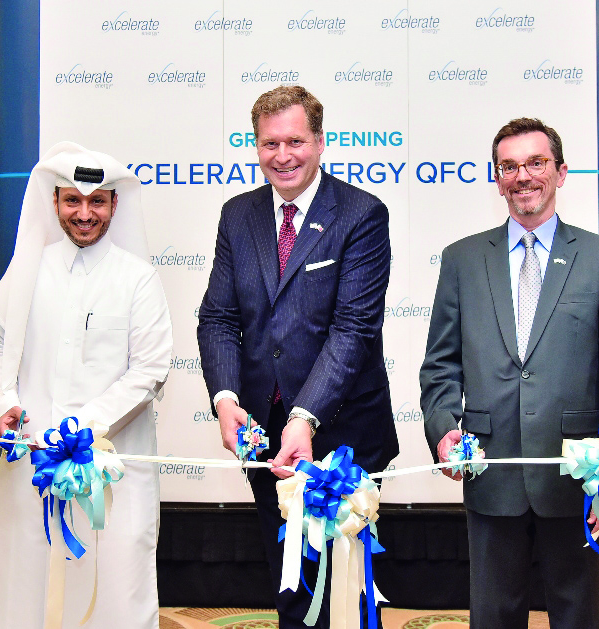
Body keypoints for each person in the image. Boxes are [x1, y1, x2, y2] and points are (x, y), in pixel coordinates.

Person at [420, 118, 599, 629]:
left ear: (561, 172)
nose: (523, 176)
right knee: (494, 615)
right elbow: (440, 365)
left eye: (536, 163)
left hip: (576, 475)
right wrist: (444, 429)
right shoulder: (461, 260)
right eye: (509, 166)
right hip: (490, 470)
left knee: (580, 613)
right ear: (497, 178)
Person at [197, 85, 399, 627]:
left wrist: (305, 417)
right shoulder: (238, 215)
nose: (282, 155)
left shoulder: (360, 214)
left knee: (347, 587)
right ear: (256, 146)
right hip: (266, 435)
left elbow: (353, 329)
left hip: (344, 430)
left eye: (295, 141)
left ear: (320, 141)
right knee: (291, 584)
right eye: (270, 143)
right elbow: (219, 317)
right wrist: (225, 398)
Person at [0, 142, 172, 629]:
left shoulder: (138, 279)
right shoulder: (27, 271)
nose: (85, 214)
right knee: (24, 579)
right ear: (55, 202)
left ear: (114, 204)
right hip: (31, 462)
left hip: (111, 469)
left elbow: (148, 370)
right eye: (72, 201)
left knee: (113, 584)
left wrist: (77, 430)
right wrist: (1, 405)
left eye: (97, 201)